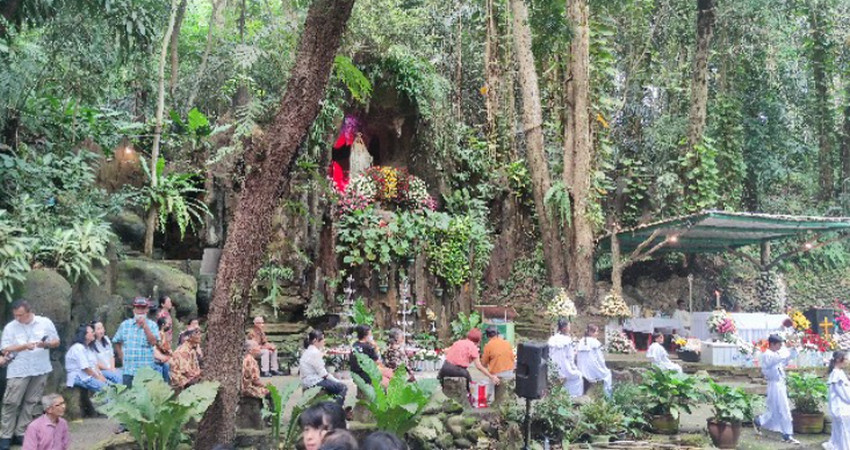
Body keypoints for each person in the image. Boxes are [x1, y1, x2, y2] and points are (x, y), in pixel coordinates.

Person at [0, 300, 60, 450]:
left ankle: (21, 432)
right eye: (15, 315)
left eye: (20, 315)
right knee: (11, 402)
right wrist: (23, 346)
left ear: (29, 312)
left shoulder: (44, 322)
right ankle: (5, 435)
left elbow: (56, 341)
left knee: (31, 401)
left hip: (40, 368)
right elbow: (4, 348)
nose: (18, 318)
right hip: (19, 369)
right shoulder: (10, 327)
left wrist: (44, 344)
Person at [754, 334, 800, 445]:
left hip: (780, 384)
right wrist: (788, 349)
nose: (781, 346)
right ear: (773, 344)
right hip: (774, 384)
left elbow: (788, 357)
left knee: (775, 410)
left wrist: (794, 348)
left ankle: (759, 421)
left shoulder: (777, 353)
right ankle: (787, 435)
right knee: (783, 409)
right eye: (779, 344)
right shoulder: (767, 355)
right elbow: (778, 358)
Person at [112, 297, 160, 387]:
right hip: (129, 370)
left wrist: (145, 327)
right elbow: (116, 341)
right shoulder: (125, 325)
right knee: (127, 398)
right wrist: (121, 357)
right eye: (138, 308)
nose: (140, 311)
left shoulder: (153, 325)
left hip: (146, 371)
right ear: (134, 310)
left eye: (143, 308)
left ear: (147, 310)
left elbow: (154, 342)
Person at [438, 329, 500, 393]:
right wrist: (491, 377)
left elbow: (446, 351)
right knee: (470, 386)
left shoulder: (459, 342)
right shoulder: (473, 348)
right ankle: (469, 397)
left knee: (443, 385)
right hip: (459, 371)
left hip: (445, 368)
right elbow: (479, 366)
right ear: (479, 340)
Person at [299, 330, 347, 406]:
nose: (324, 341)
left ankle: (332, 406)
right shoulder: (315, 353)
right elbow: (324, 374)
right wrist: (337, 381)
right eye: (322, 339)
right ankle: (337, 409)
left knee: (333, 386)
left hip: (307, 380)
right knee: (343, 387)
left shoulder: (308, 350)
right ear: (315, 340)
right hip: (314, 381)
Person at [64, 325, 109, 392]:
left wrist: (100, 376)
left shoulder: (88, 348)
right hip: (79, 376)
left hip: (89, 375)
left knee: (112, 386)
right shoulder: (78, 348)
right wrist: (98, 378)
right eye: (92, 332)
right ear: (84, 335)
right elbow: (85, 368)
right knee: (107, 390)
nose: (94, 333)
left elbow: (95, 364)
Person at [548, 319, 583, 397]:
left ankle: (560, 393)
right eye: (569, 326)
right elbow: (570, 357)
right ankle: (572, 395)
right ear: (564, 328)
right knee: (578, 376)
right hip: (564, 368)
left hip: (552, 368)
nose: (570, 328)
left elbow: (549, 354)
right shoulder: (567, 340)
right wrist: (574, 368)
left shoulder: (552, 339)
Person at [575, 324, 612, 396]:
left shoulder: (581, 341)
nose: (597, 334)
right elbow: (600, 358)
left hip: (581, 368)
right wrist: (603, 367)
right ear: (591, 333)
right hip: (592, 369)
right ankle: (608, 396)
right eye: (596, 332)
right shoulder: (595, 342)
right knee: (607, 374)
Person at [825, 351, 850, 450]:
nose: (848, 361)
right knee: (844, 434)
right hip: (841, 408)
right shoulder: (836, 374)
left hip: (842, 408)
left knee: (840, 433)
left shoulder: (839, 372)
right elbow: (843, 394)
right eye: (846, 359)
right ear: (839, 360)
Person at [169, 328, 202, 393]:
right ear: (189, 337)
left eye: (199, 333)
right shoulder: (183, 351)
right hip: (181, 384)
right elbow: (187, 373)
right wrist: (199, 374)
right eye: (196, 333)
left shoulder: (191, 350)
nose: (199, 335)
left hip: (188, 381)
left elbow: (196, 368)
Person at [153, 317, 172, 383]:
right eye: (168, 324)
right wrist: (169, 351)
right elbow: (162, 347)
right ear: (163, 325)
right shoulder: (160, 334)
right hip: (158, 357)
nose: (169, 326)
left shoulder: (162, 334)